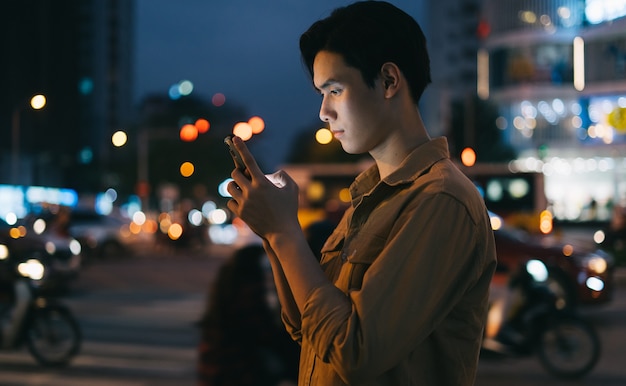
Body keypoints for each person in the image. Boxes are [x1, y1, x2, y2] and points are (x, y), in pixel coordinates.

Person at [226, 1, 497, 385]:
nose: (323, 111)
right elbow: (308, 328)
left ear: (388, 81)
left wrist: (285, 232)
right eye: (321, 93)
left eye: (335, 90)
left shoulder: (441, 201)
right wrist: (272, 232)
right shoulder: (369, 201)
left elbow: (355, 351)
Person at [196, 244, 299, 386]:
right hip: (236, 371)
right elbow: (265, 333)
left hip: (217, 370)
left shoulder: (228, 285)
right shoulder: (248, 293)